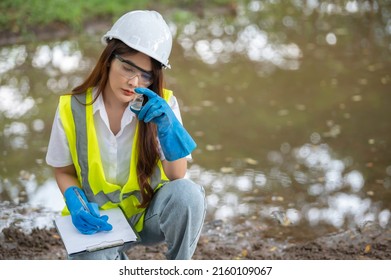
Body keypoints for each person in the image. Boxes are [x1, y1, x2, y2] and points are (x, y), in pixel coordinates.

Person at [46, 10, 206, 260]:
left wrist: (168, 126)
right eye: (127, 67)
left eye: (145, 75)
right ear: (109, 59)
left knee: (189, 195)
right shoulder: (71, 108)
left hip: (147, 217)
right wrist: (74, 200)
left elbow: (177, 176)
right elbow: (63, 171)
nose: (134, 81)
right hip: (100, 221)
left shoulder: (163, 105)